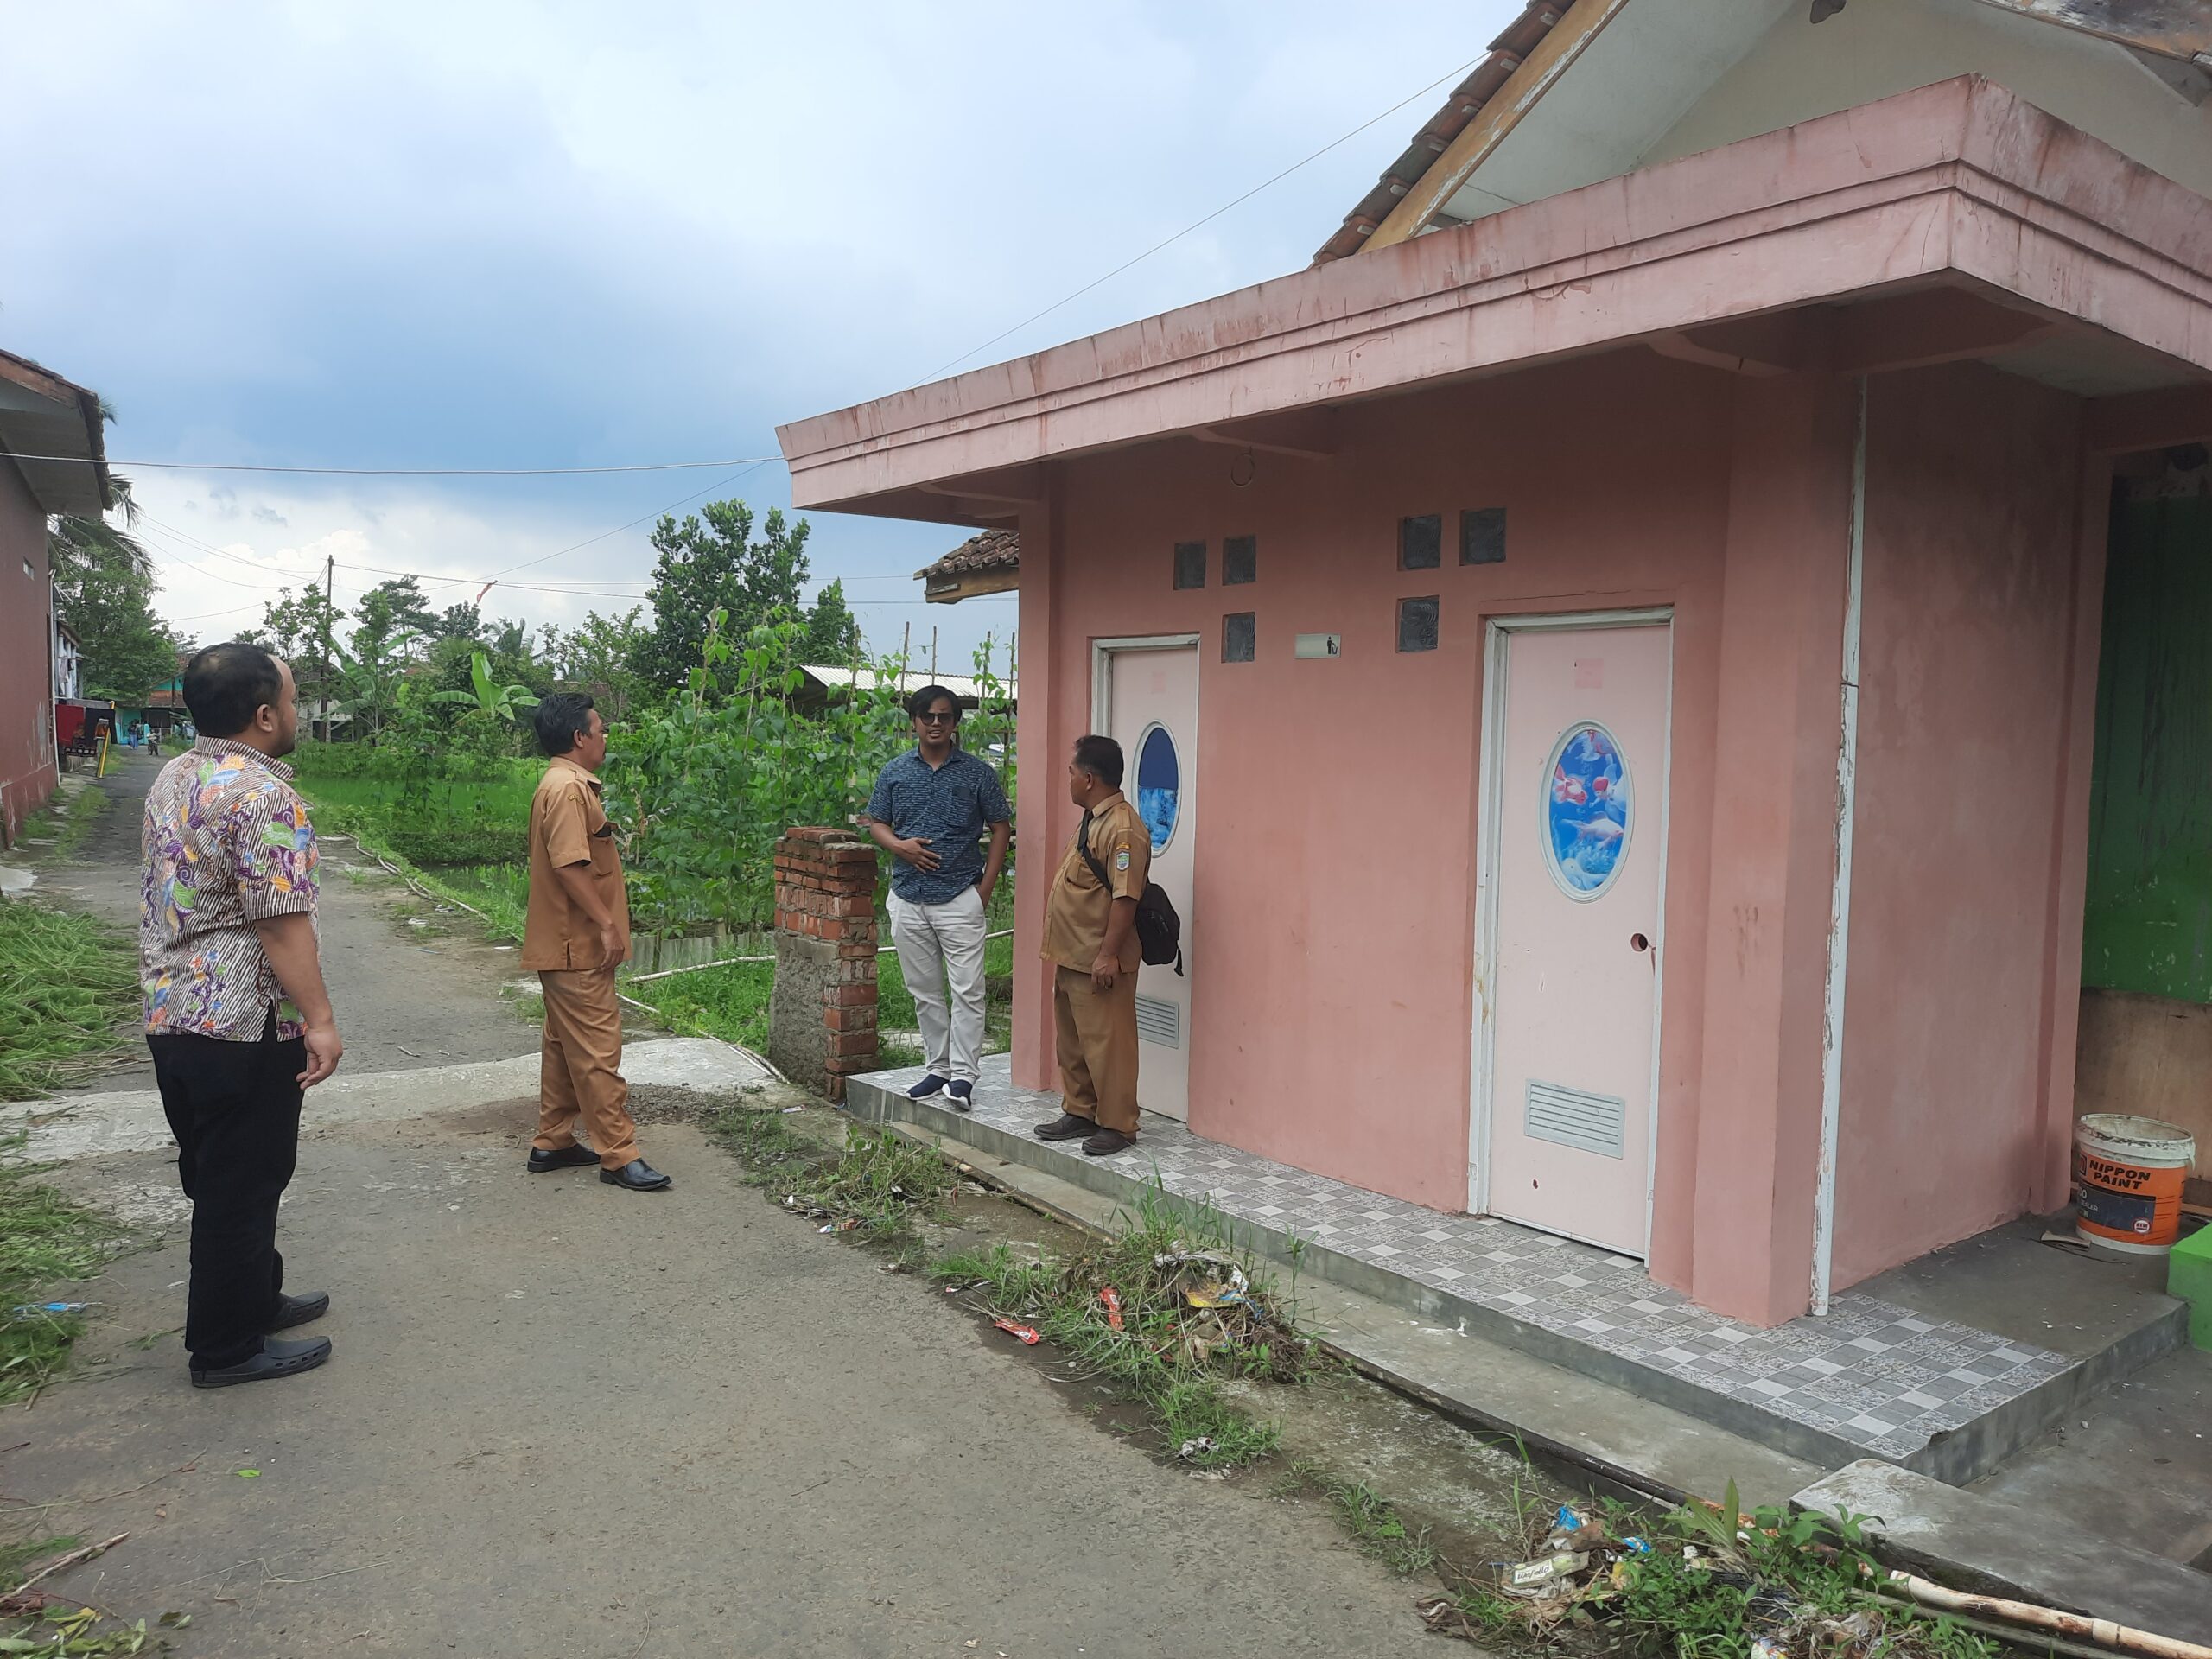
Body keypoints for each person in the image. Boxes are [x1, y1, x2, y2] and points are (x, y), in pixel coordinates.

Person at [143, 643, 340, 1388]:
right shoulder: (263, 797)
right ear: (264, 716)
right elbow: (281, 923)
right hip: (240, 1022)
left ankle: (255, 1296)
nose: (296, 713)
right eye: (291, 701)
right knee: (244, 1179)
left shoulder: (175, 775)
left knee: (219, 1170)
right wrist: (319, 1020)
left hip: (174, 1012)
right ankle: (226, 1347)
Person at [521, 693, 668, 1192]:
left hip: (567, 946)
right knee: (598, 1050)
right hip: (576, 945)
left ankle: (554, 1140)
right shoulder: (567, 790)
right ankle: (619, 1154)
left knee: (564, 1043)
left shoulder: (566, 785)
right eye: (601, 729)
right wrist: (606, 923)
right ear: (580, 737)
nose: (606, 737)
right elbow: (568, 864)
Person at [866, 685, 1011, 1111]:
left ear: (955, 723)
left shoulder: (977, 773)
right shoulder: (895, 772)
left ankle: (964, 1076)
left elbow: (1000, 827)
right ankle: (937, 1068)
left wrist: (984, 889)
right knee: (924, 990)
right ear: (913, 721)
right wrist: (900, 847)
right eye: (927, 716)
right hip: (908, 897)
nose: (935, 723)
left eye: (944, 717)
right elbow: (876, 822)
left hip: (959, 895)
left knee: (968, 990)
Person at [1033, 734, 1148, 1157]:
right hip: (1072, 954)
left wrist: (1108, 954)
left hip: (1099, 959)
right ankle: (1080, 1110)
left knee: (1109, 1045)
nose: (1067, 779)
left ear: (1088, 777)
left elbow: (1125, 897)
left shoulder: (1123, 829)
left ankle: (1118, 1125)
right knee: (1074, 1041)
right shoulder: (1092, 819)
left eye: (1070, 772)